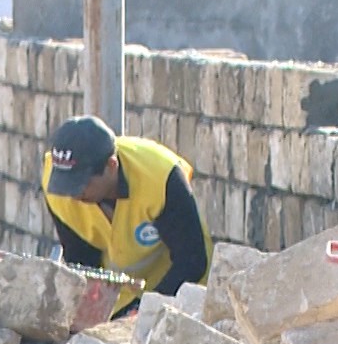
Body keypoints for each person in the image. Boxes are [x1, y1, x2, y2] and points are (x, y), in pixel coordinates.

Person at [41, 115, 212, 316]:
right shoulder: (57, 187)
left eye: (81, 184)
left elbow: (192, 261)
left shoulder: (160, 178)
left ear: (111, 166)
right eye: (66, 185)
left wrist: (145, 310)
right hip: (121, 300)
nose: (74, 194)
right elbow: (81, 259)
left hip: (179, 291)